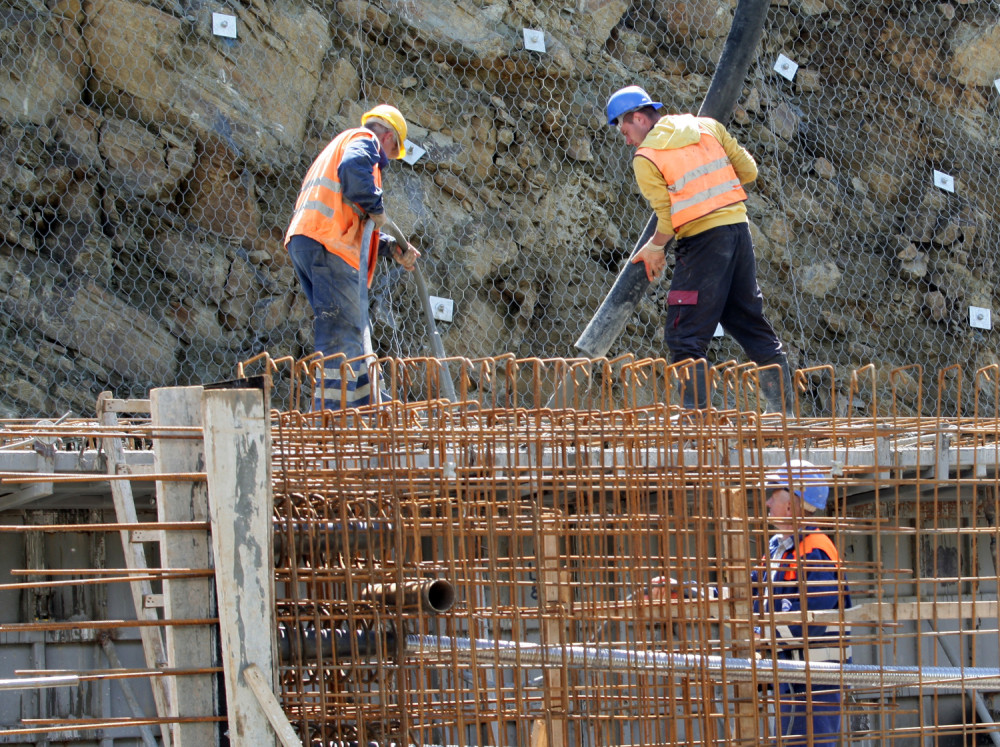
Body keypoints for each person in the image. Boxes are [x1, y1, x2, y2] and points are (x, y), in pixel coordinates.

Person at [605, 85, 791, 411]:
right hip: (738, 232)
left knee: (685, 335)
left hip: (703, 243)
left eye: (625, 128)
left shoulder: (646, 158)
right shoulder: (708, 126)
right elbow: (749, 171)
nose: (625, 137)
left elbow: (668, 217)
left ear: (639, 117)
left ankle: (696, 425)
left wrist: (654, 249)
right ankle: (785, 413)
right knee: (748, 320)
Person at [284, 104, 420, 409]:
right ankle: (336, 424)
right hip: (331, 246)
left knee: (347, 333)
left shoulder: (334, 148)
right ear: (387, 136)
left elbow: (354, 215)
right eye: (392, 150)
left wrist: (389, 247)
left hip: (310, 240)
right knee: (342, 339)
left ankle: (358, 412)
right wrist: (377, 206)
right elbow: (354, 172)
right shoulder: (364, 139)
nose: (386, 160)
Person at [755, 460, 852, 747]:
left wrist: (763, 638)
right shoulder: (778, 548)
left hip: (815, 682)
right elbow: (747, 596)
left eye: (775, 492)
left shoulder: (817, 552)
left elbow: (809, 619)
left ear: (794, 501)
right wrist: (686, 593)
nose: (768, 500)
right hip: (787, 675)